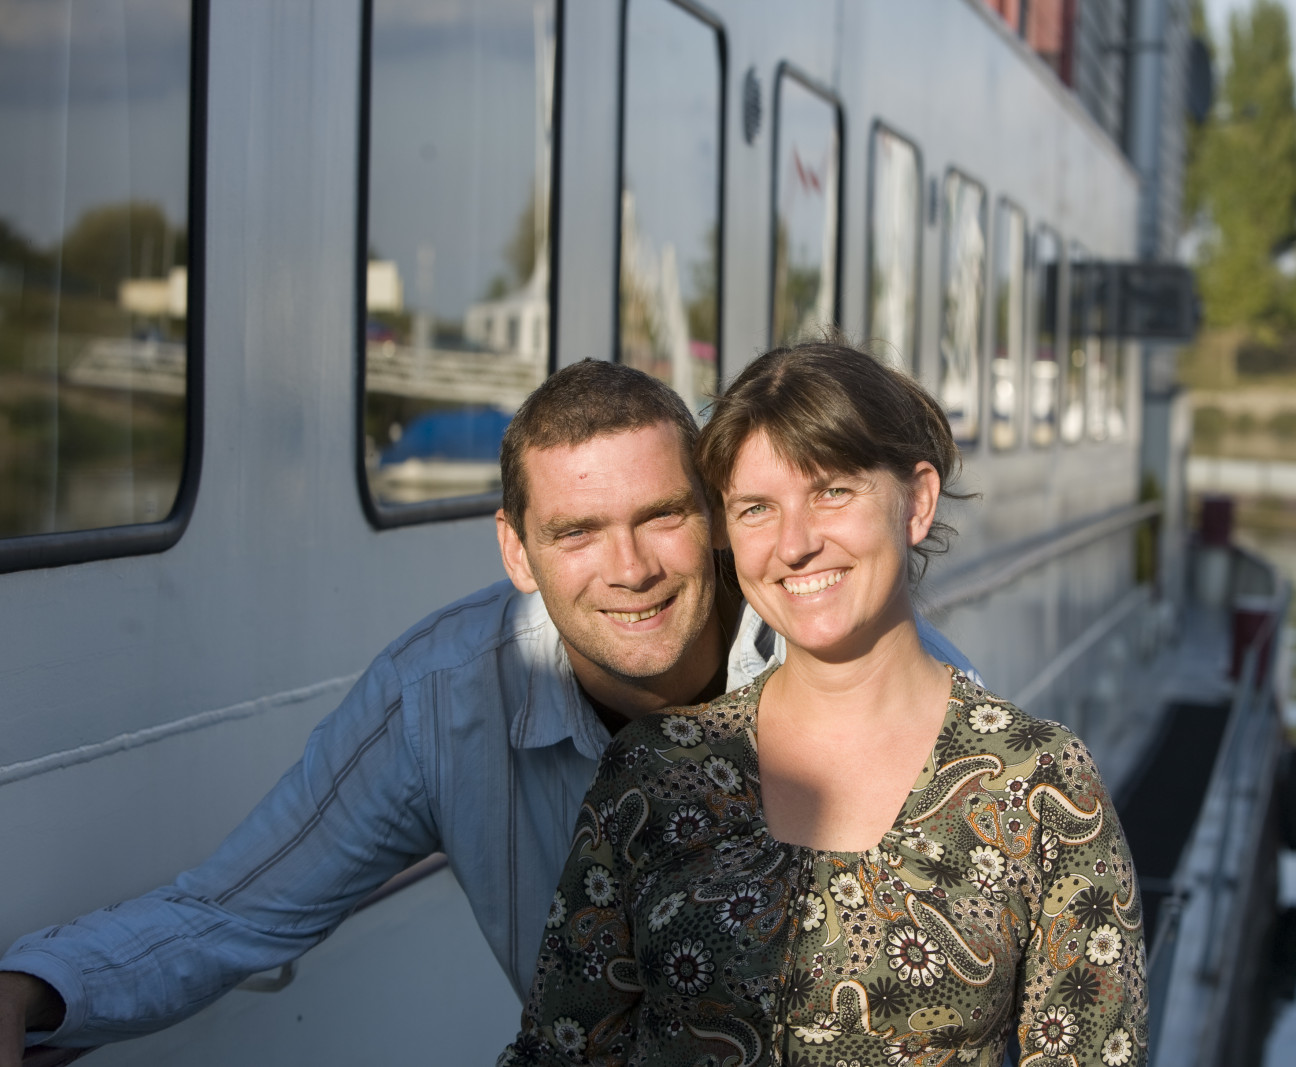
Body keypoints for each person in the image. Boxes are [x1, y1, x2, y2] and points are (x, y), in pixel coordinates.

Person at [0, 360, 978, 1064]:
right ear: (517, 551)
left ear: (715, 517)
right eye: (577, 531)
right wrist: (32, 988)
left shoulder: (879, 678)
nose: (629, 568)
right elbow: (235, 908)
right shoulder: (445, 698)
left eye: (662, 515)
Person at [504, 343, 1145, 1067]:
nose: (795, 544)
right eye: (756, 508)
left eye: (832, 491)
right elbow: (560, 1051)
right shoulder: (656, 772)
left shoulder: (1039, 786)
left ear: (917, 501)